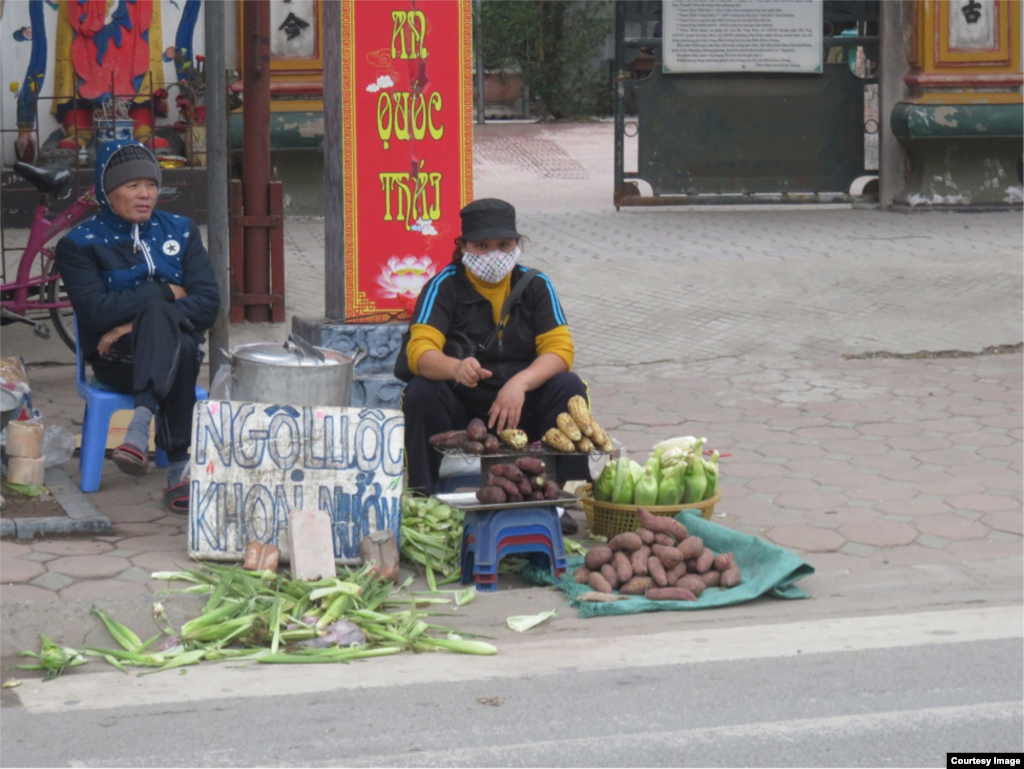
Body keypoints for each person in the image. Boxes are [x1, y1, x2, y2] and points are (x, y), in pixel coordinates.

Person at [56, 139, 220, 512]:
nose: (145, 195)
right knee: (171, 331)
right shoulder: (81, 244)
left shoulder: (181, 230)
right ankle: (178, 471)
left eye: (151, 185)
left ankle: (139, 424)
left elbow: (209, 304)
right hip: (118, 359)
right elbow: (96, 313)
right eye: (132, 186)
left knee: (169, 331)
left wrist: (135, 322)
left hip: (172, 347)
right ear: (107, 192)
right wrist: (164, 292)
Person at [398, 198, 592, 506]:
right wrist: (454, 368)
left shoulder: (536, 285)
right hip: (463, 419)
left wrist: (520, 383)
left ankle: (556, 496)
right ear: (463, 247)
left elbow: (560, 350)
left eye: (504, 245)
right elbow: (418, 351)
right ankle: (423, 497)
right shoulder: (443, 286)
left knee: (569, 386)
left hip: (522, 410)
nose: (494, 255)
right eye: (482, 246)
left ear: (517, 245)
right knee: (421, 391)